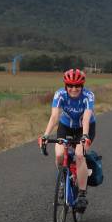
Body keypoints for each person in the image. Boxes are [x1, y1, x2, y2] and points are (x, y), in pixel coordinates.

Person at [38, 68, 96, 212]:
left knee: (79, 155)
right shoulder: (60, 94)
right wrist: (45, 135)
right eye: (70, 85)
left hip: (84, 128)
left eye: (77, 86)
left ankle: (82, 194)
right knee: (59, 155)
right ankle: (64, 180)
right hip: (65, 127)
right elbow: (54, 116)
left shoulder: (88, 95)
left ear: (82, 86)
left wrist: (85, 136)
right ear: (66, 85)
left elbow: (87, 117)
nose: (74, 89)